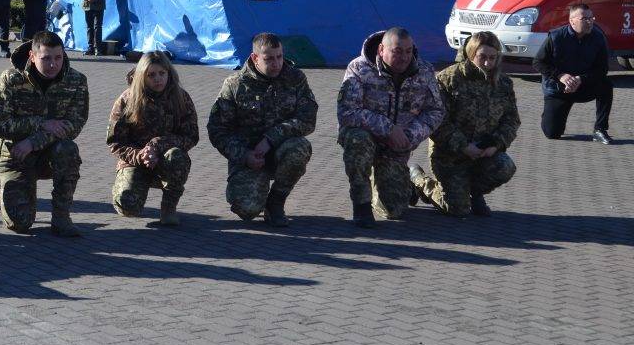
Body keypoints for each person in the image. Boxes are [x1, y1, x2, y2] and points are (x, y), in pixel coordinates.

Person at [337, 27, 445, 228]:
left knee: (394, 211)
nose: (404, 57)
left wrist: (409, 136)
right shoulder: (359, 69)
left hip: (398, 146)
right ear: (381, 50)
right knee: (356, 139)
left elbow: (435, 111)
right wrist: (388, 129)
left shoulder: (424, 71)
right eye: (397, 51)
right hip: (366, 139)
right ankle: (361, 204)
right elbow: (347, 113)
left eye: (408, 51)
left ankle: (410, 178)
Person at [207, 33, 317, 226]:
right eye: (269, 59)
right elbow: (217, 129)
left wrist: (270, 138)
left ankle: (275, 203)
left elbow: (307, 119)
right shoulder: (235, 84)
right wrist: (244, 155)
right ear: (255, 58)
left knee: (299, 148)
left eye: (279, 57)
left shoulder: (295, 78)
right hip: (249, 158)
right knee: (247, 209)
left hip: (279, 151)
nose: (276, 63)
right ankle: (257, 194)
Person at [0, 30, 89, 237]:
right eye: (46, 58)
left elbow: (73, 125)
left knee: (68, 149)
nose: (53, 64)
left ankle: (61, 216)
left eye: (58, 58)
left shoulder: (76, 81)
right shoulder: (11, 79)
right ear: (32, 57)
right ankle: (6, 189)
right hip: (15, 155)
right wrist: (42, 123)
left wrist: (33, 141)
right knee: (20, 224)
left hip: (47, 153)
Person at [410, 32, 520, 217]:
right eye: (482, 57)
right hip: (450, 154)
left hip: (484, 153)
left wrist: (497, 144)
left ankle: (474, 193)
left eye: (492, 58)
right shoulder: (448, 79)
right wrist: (463, 146)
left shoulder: (503, 83)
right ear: (471, 54)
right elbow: (437, 121)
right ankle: (418, 179)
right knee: (457, 209)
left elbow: (511, 119)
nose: (487, 63)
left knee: (505, 166)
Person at [106, 51, 199, 226]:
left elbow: (191, 136)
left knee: (177, 156)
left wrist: (158, 145)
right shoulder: (127, 99)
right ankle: (131, 185)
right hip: (136, 160)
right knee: (128, 206)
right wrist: (140, 155)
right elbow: (115, 142)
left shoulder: (181, 97)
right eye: (151, 75)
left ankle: (168, 209)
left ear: (169, 73)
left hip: (166, 159)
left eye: (162, 73)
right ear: (142, 76)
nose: (158, 79)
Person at [533, 4, 613, 144]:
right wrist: (560, 76)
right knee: (552, 133)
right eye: (584, 19)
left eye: (591, 18)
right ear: (572, 21)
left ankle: (600, 129)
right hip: (559, 89)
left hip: (583, 85)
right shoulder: (556, 37)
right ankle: (553, 112)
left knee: (606, 85)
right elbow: (538, 62)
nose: (590, 22)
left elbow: (602, 69)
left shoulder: (598, 37)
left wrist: (580, 79)